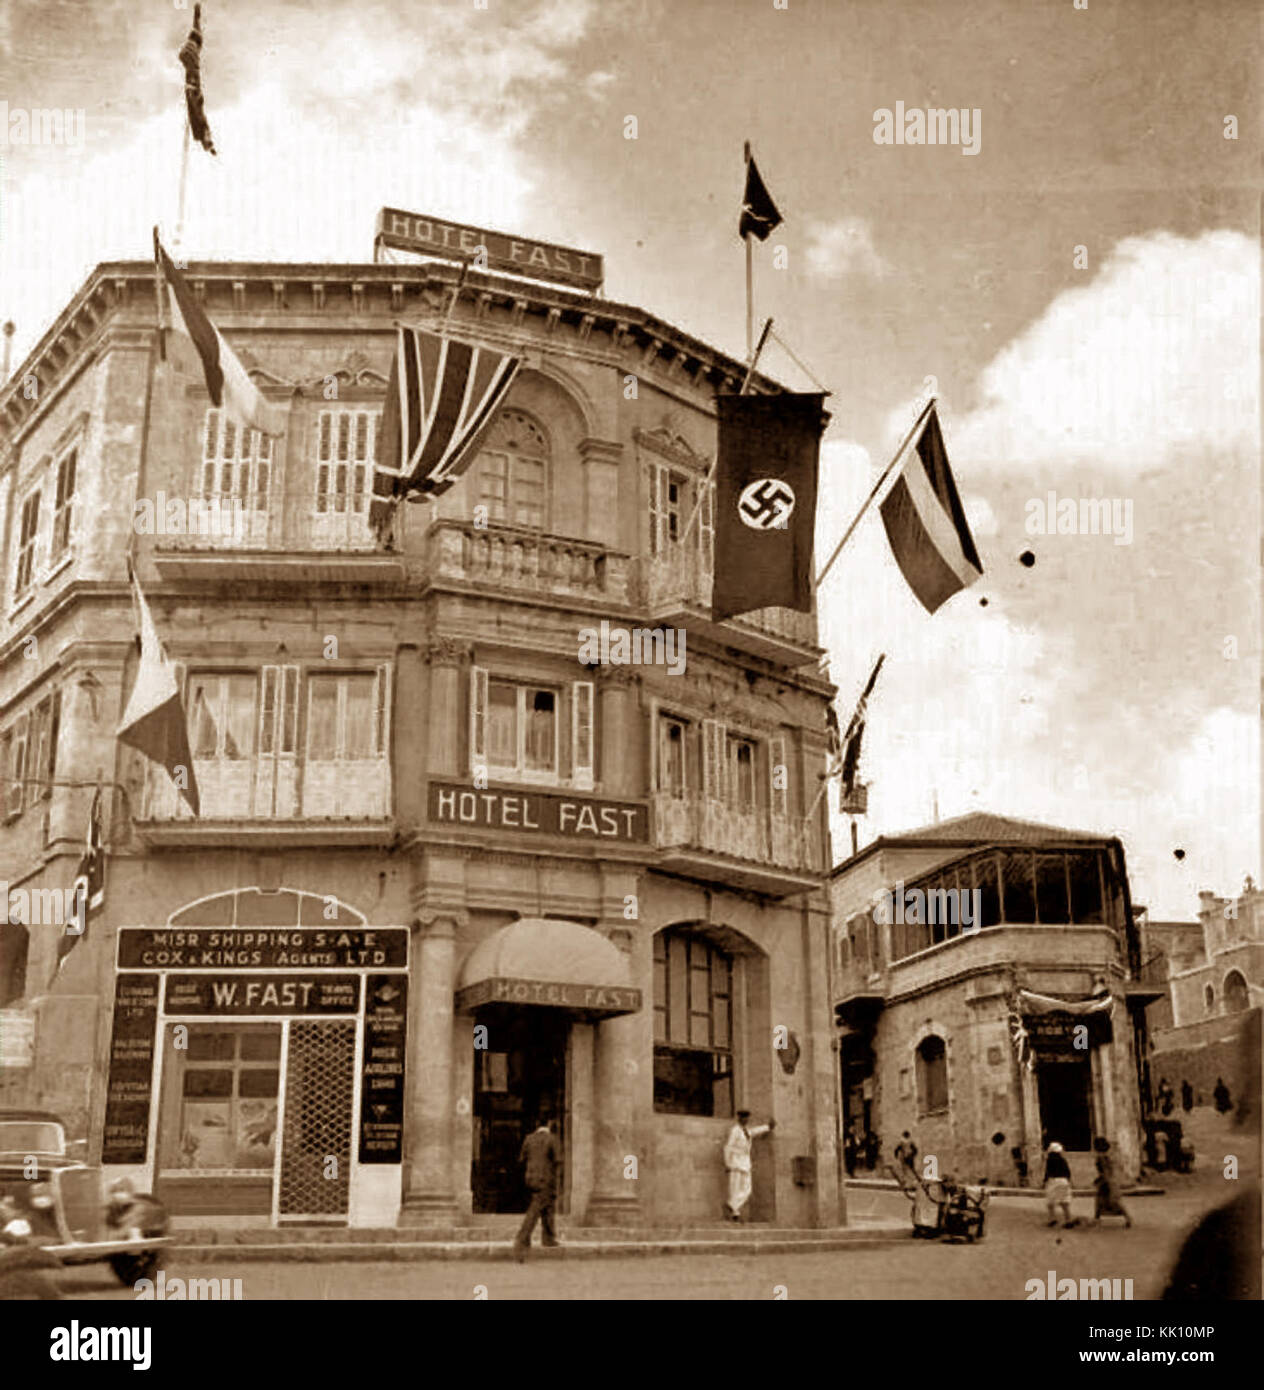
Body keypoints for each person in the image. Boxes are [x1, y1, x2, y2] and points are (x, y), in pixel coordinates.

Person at [513, 1115, 560, 1263]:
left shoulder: (529, 1139)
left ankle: (549, 1237)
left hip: (531, 1177)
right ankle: (521, 1241)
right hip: (546, 1178)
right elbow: (559, 1159)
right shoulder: (552, 1139)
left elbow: (521, 1158)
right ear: (550, 1124)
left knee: (548, 1204)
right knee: (536, 1208)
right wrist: (556, 1178)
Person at [723, 1109, 774, 1221]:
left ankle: (732, 1205)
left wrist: (768, 1127)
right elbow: (728, 1147)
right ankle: (735, 1212)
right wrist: (727, 1163)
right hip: (735, 1163)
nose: (746, 1120)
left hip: (745, 1163)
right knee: (734, 1189)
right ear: (739, 1118)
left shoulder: (746, 1130)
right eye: (744, 1117)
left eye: (747, 1117)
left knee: (747, 1189)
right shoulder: (735, 1130)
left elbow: (754, 1132)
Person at [1091, 1137, 1131, 1228]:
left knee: (1108, 1200)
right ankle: (1127, 1218)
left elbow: (1105, 1170)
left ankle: (1128, 1218)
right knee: (1102, 1200)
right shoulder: (1108, 1156)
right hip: (1110, 1180)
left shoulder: (1101, 1157)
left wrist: (1104, 1180)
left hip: (1107, 1181)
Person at [1043, 1142, 1075, 1227]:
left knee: (1050, 1202)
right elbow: (1068, 1172)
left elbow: (1047, 1172)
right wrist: (1070, 1182)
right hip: (1064, 1181)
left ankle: (1052, 1219)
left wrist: (1044, 1181)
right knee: (1064, 1202)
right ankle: (1068, 1220)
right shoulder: (1063, 1160)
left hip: (1054, 1180)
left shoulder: (1049, 1160)